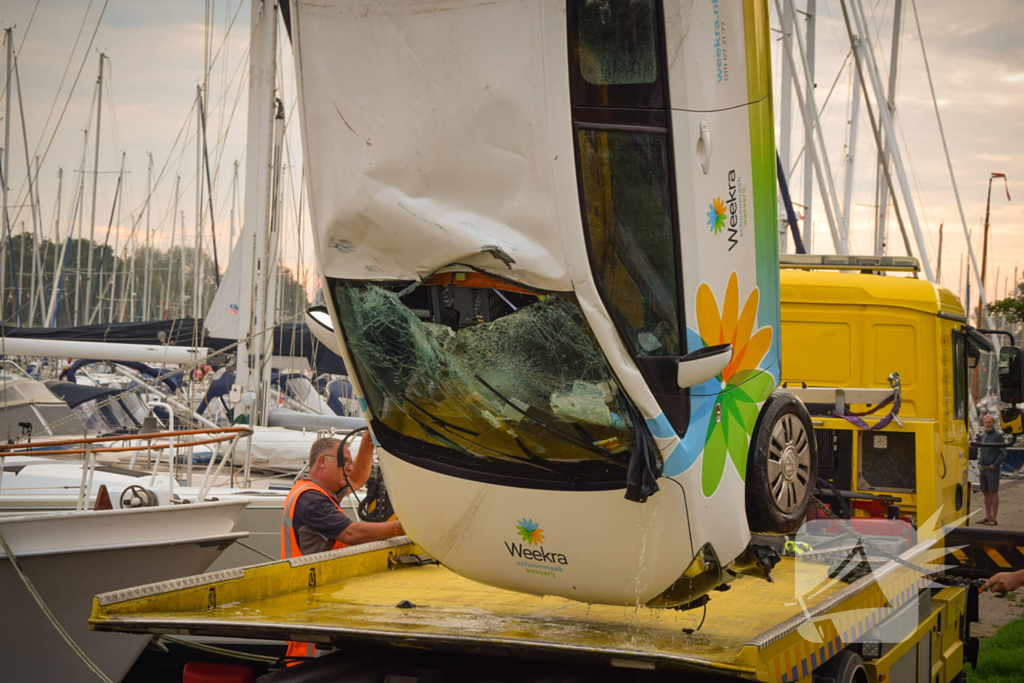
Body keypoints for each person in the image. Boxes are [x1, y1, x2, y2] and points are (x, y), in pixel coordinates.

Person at [280, 434, 405, 663]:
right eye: (344, 463)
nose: (348, 469)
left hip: (319, 604)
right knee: (307, 670)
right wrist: (406, 528)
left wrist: (366, 445)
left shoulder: (318, 491)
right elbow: (352, 534)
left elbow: (356, 480)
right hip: (310, 615)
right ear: (322, 462)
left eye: (349, 463)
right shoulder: (311, 500)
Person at [977, 415, 1007, 526]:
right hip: (983, 468)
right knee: (985, 493)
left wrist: (995, 465)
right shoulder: (984, 435)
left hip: (992, 469)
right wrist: (980, 462)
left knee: (993, 492)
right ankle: (987, 516)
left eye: (989, 422)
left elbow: (1003, 452)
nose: (988, 424)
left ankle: (994, 518)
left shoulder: (998, 436)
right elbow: (983, 450)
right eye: (986, 422)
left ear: (993, 423)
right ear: (983, 424)